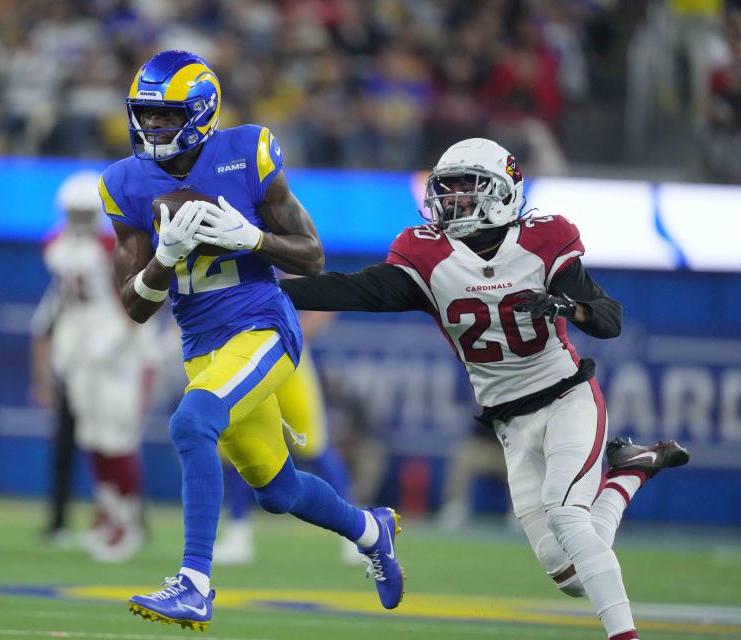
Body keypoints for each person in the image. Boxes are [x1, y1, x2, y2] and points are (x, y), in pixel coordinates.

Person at [280, 137, 689, 640]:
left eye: (464, 188)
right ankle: (629, 473)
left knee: (567, 515)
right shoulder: (425, 253)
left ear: (502, 190)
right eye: (445, 189)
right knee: (569, 576)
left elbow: (610, 319)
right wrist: (268, 288)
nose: (451, 200)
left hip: (567, 396)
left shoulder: (544, 240)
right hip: (508, 421)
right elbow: (355, 289)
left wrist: (568, 308)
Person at [100, 50, 404, 631]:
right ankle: (372, 531)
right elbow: (135, 307)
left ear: (201, 112)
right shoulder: (125, 184)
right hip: (203, 346)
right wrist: (164, 259)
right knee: (278, 489)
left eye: (166, 116)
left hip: (263, 325)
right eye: (147, 115)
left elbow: (313, 257)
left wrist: (251, 237)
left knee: (191, 424)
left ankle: (193, 584)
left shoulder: (245, 154)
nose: (153, 127)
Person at [30, 170, 159, 563]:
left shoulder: (117, 244)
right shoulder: (57, 247)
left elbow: (149, 295)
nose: (81, 220)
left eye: (87, 212)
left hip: (122, 354)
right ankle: (111, 516)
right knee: (91, 437)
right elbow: (60, 306)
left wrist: (119, 335)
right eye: (75, 212)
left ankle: (129, 522)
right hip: (82, 354)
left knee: (117, 439)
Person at [214, 310, 360, 566]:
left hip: (284, 355)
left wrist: (291, 331)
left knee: (314, 446)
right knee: (236, 445)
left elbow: (321, 304)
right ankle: (238, 533)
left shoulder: (276, 269)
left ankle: (356, 531)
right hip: (241, 358)